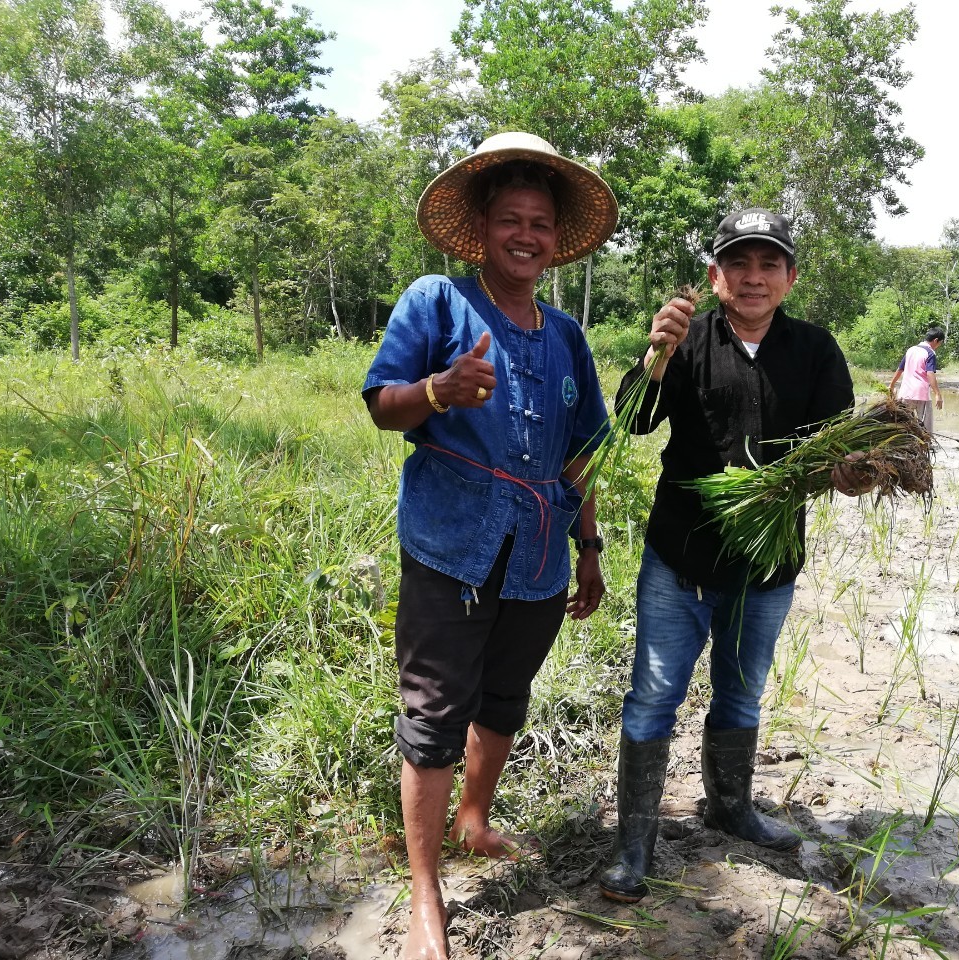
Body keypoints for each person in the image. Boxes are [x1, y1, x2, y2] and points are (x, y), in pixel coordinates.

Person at [361, 132, 617, 960]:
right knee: (435, 714)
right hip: (450, 542)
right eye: (511, 218)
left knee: (505, 697)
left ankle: (474, 820)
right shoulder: (437, 302)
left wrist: (590, 546)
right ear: (481, 226)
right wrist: (436, 389)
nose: (527, 235)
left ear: (556, 238)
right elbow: (382, 404)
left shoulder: (568, 335)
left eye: (541, 223)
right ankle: (425, 892)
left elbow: (583, 455)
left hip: (539, 552)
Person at [597, 208, 872, 904]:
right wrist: (653, 355)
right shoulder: (686, 340)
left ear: (790, 278)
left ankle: (729, 805)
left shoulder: (815, 350)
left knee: (742, 690)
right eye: (738, 264)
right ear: (715, 274)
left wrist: (854, 470)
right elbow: (630, 422)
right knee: (654, 696)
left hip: (767, 565)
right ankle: (634, 846)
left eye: (768, 264)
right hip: (679, 558)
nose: (753, 277)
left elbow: (834, 448)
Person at [889, 327, 945, 431]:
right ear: (935, 340)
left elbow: (900, 369)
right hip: (921, 394)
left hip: (905, 393)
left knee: (904, 424)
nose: (938, 346)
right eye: (940, 343)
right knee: (925, 427)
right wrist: (937, 394)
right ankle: (926, 445)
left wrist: (891, 385)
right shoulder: (930, 353)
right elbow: (930, 373)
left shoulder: (911, 350)